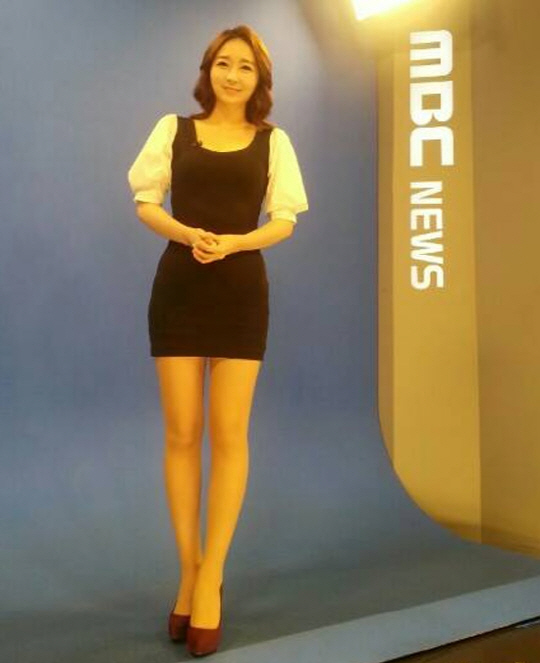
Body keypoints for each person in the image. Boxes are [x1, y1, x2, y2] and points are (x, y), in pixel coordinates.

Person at [127, 24, 308, 656]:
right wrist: (185, 233)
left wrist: (235, 242)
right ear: (208, 71)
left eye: (246, 67)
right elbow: (146, 202)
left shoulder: (274, 142)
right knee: (182, 434)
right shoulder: (172, 130)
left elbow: (284, 220)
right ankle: (189, 570)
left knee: (230, 435)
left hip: (241, 292)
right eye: (224, 64)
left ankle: (213, 577)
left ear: (260, 81)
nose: (233, 75)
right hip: (179, 288)